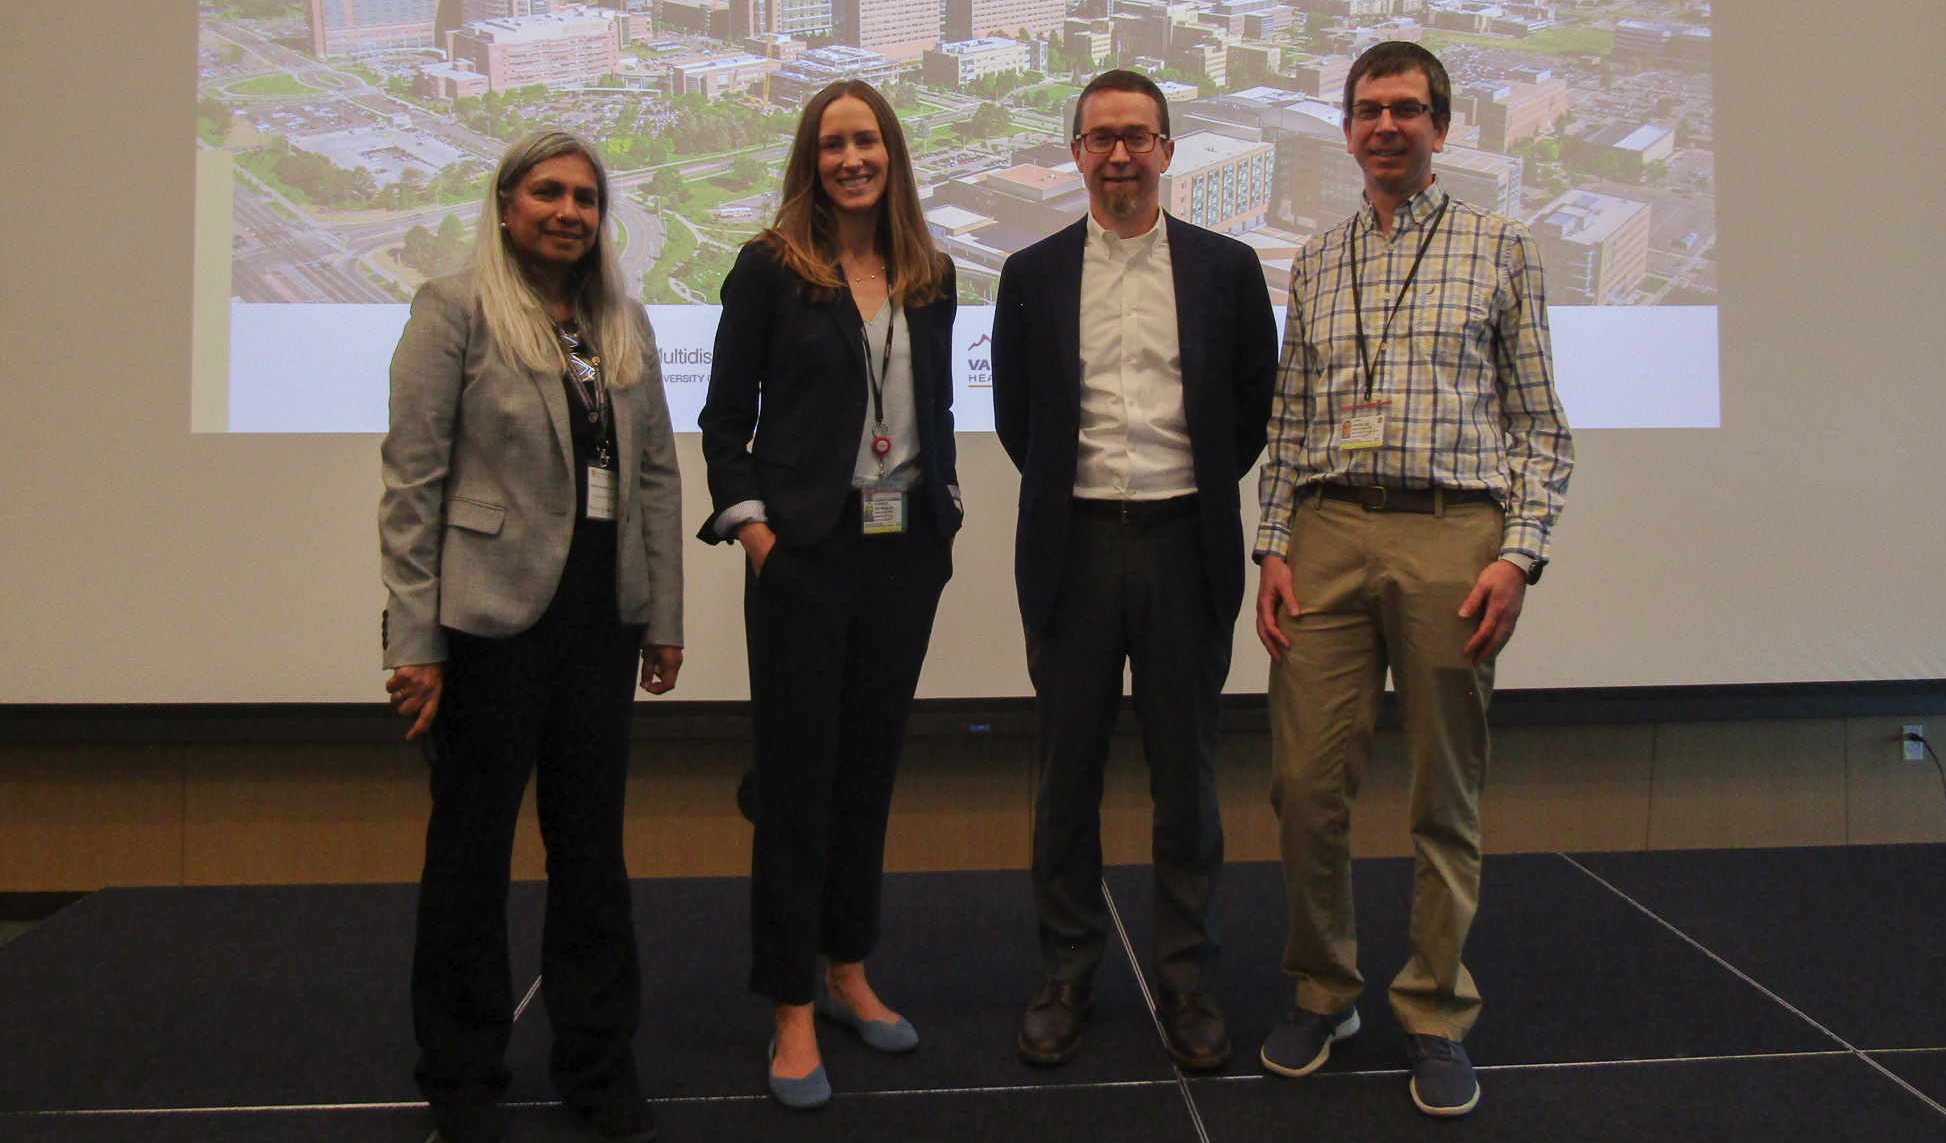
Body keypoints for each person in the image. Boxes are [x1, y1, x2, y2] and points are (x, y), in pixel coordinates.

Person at [1252, 41, 1573, 1116]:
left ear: (1440, 126)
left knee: (1444, 795)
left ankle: (1434, 1010)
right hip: (1328, 532)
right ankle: (1323, 989)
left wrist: (1518, 554)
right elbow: (1289, 423)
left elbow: (1539, 428)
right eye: (1365, 110)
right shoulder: (1314, 259)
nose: (1383, 126)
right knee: (1305, 786)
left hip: (1452, 538)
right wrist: (1272, 548)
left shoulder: (1501, 249)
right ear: (1344, 130)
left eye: (1405, 109)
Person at [380, 130, 684, 1143]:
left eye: (585, 199)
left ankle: (598, 1067)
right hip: (486, 628)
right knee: (469, 860)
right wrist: (413, 638)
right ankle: (462, 1076)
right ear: (507, 205)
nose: (568, 212)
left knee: (591, 858)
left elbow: (653, 481)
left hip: (600, 626)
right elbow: (412, 484)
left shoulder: (621, 323)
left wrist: (664, 618)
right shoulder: (454, 310)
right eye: (547, 193)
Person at [992, 69, 1278, 1070]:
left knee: (1184, 782)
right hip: (1070, 549)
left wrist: (1176, 492)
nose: (1118, 154)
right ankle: (1066, 973)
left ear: (1166, 149)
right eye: (1099, 137)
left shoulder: (1226, 270)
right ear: (1075, 152)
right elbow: (1016, 423)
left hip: (1180, 546)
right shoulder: (1027, 273)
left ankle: (1185, 979)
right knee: (1063, 777)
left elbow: (1247, 411)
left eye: (1137, 136)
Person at [697, 79, 961, 1110]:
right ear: (811, 159)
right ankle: (790, 1007)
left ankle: (848, 967)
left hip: (901, 556)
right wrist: (759, 535)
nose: (852, 158)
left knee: (867, 774)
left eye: (867, 142)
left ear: (890, 153)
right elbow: (725, 421)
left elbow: (929, 406)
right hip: (804, 556)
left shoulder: (928, 275)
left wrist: (940, 509)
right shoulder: (769, 271)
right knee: (798, 782)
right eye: (833, 144)